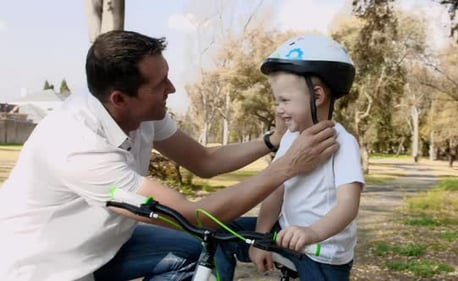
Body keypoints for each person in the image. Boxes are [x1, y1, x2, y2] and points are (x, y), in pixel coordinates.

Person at [0, 30, 339, 281]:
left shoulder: (143, 115)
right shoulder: (76, 144)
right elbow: (191, 215)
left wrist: (273, 140)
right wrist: (286, 168)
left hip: (106, 243)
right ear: (120, 98)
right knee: (205, 236)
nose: (172, 89)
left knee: (207, 248)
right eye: (160, 84)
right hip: (46, 267)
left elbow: (205, 162)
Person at [215, 34, 365, 281]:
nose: (278, 109)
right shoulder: (289, 138)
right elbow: (276, 190)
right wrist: (261, 237)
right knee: (220, 234)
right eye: (277, 101)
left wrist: (311, 233)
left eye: (284, 100)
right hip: (284, 233)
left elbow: (348, 206)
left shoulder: (342, 142)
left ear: (317, 96)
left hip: (322, 251)